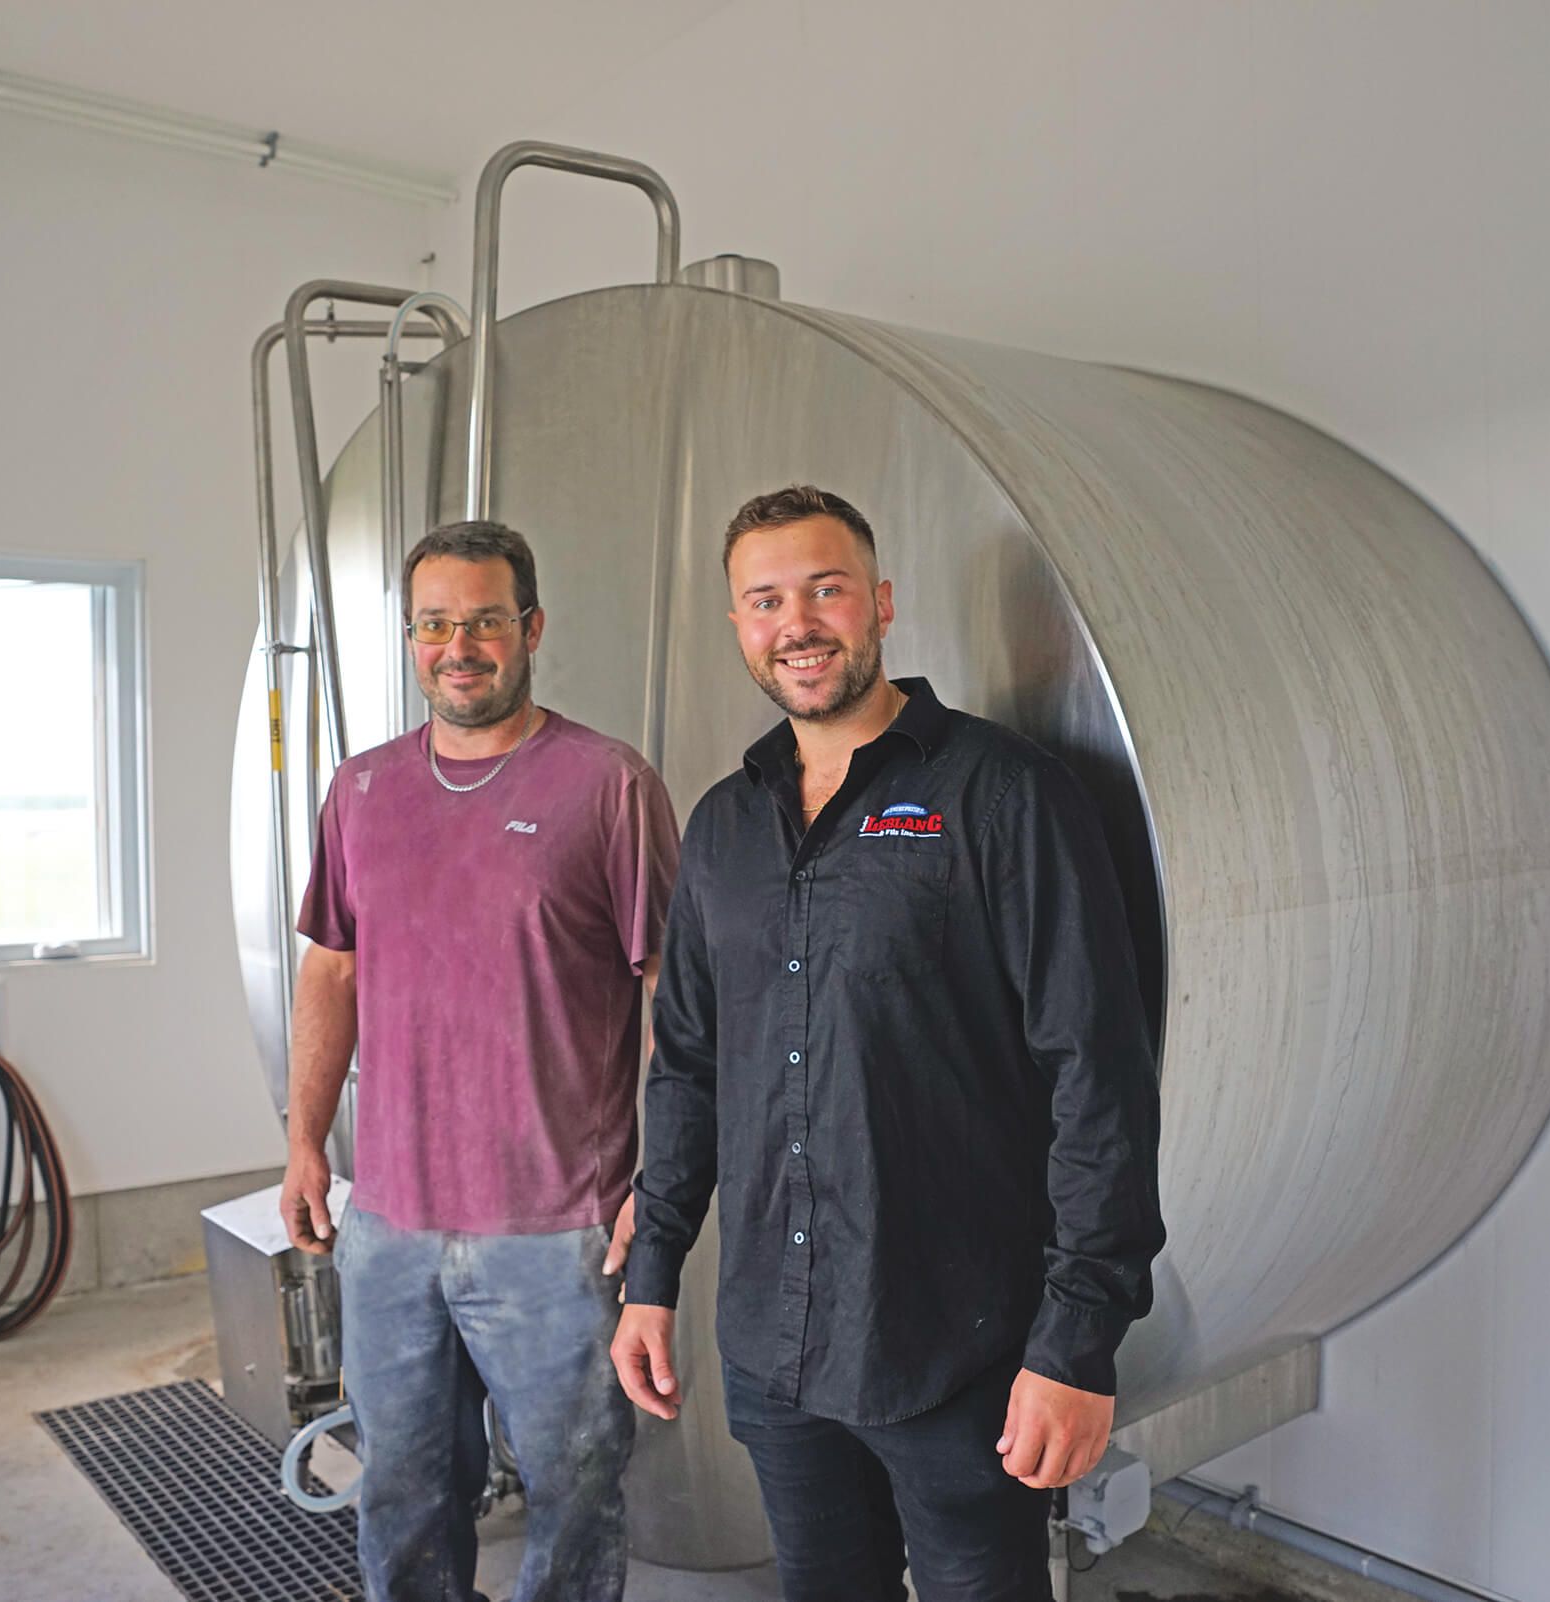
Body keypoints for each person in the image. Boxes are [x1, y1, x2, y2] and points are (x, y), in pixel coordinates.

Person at [612, 485, 1165, 1602]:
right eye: (766, 601)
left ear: (881, 603)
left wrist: (1077, 1341)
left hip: (955, 1347)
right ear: (738, 627)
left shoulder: (1004, 794)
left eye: (826, 588)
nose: (798, 623)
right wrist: (653, 1272)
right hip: (775, 1352)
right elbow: (687, 1066)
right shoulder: (724, 822)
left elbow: (1096, 1077)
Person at [280, 519, 679, 1602]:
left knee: (575, 1493)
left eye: (486, 621)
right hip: (390, 1229)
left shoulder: (608, 786)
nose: (461, 646)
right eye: (435, 624)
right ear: (411, 640)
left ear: (532, 629)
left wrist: (663, 1184)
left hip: (559, 1234)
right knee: (403, 1493)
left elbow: (674, 1001)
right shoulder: (360, 792)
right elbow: (333, 973)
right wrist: (306, 1141)